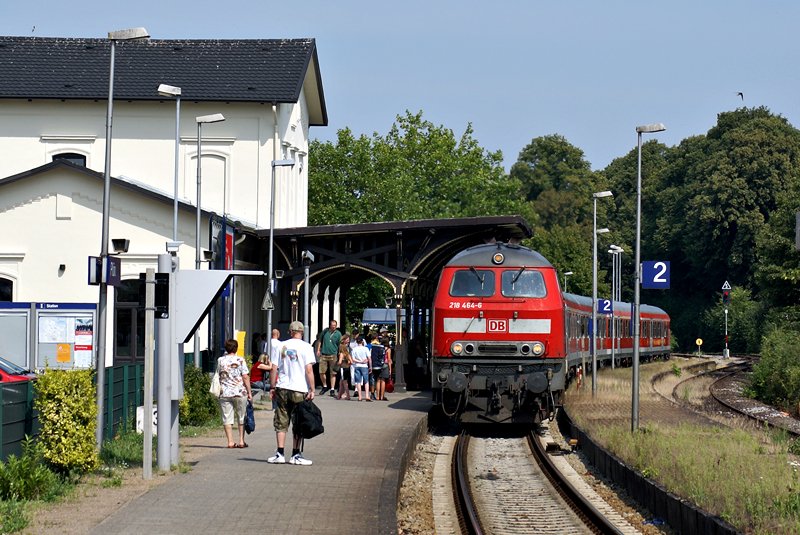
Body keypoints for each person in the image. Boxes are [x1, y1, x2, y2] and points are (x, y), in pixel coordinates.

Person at [267, 321, 316, 466]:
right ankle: (295, 454)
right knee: (298, 420)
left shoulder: (281, 346)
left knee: (281, 419)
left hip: (282, 386)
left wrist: (272, 387)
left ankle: (280, 453)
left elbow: (273, 367)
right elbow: (309, 370)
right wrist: (312, 389)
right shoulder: (307, 347)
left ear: (290, 332)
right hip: (299, 388)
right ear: (302, 332)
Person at [217, 338, 252, 448]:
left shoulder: (220, 360)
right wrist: (249, 392)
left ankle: (230, 442)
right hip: (239, 392)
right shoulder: (240, 360)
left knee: (227, 417)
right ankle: (241, 441)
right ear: (236, 348)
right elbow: (245, 376)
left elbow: (218, 374)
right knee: (241, 416)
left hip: (225, 392)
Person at [315, 320, 342, 396]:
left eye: (335, 325)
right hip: (324, 354)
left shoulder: (338, 334)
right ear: (330, 325)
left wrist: (340, 353)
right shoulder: (325, 331)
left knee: (333, 373)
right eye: (332, 325)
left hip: (333, 354)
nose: (334, 327)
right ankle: (325, 386)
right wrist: (318, 350)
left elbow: (340, 344)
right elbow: (320, 340)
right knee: (321, 371)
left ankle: (332, 389)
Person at [350, 336, 371, 401]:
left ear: (356, 342)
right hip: (364, 366)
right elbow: (369, 358)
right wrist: (370, 366)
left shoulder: (354, 349)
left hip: (357, 366)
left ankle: (360, 396)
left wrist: (359, 361)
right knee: (366, 381)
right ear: (362, 341)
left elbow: (353, 359)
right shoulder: (365, 349)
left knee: (358, 382)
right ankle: (367, 396)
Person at [376, 336, 393, 401]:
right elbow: (389, 360)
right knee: (383, 380)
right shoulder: (388, 349)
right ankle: (382, 396)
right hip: (385, 365)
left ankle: (377, 396)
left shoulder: (379, 347)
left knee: (378, 380)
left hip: (378, 365)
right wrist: (390, 369)